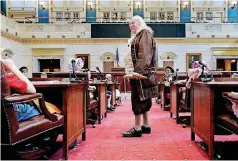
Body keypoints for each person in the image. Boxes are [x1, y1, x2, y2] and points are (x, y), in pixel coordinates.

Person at [122, 15, 158, 137]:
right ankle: (146, 126)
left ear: (141, 23)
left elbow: (144, 55)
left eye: (133, 23)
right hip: (140, 74)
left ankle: (137, 129)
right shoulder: (139, 35)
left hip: (140, 74)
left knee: (137, 100)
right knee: (144, 99)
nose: (130, 25)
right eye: (129, 24)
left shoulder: (144, 33)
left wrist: (138, 72)